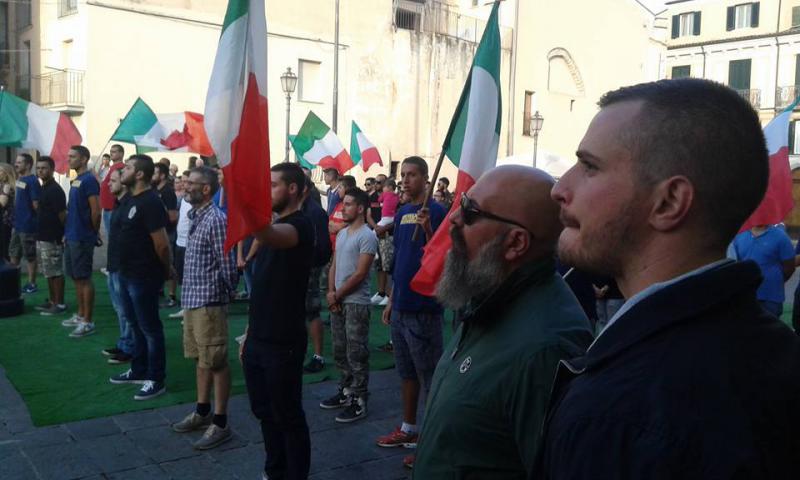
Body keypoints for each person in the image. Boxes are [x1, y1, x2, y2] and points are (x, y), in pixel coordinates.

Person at [541, 78, 800, 477]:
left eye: (590, 167)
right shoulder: (777, 351)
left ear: (669, 202)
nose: (560, 188)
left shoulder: (619, 411)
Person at [412, 166, 592, 477]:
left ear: (515, 243)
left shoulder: (546, 349)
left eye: (470, 211)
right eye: (461, 203)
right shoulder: (489, 295)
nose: (454, 219)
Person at [240, 162, 314, 480]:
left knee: (288, 416)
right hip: (258, 339)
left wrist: (242, 198)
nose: (267, 190)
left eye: (272, 185)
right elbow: (264, 289)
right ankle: (275, 471)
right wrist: (248, 333)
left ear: (293, 189)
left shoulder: (300, 225)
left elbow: (269, 234)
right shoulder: (275, 227)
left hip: (283, 342)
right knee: (264, 412)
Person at [376, 157, 447, 461]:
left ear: (426, 178)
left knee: (430, 376)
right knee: (406, 373)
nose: (405, 180)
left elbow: (446, 256)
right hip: (402, 304)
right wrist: (392, 298)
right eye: (403, 175)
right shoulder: (404, 212)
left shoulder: (439, 211)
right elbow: (401, 261)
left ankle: (433, 441)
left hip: (424, 306)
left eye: (412, 175)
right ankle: (409, 428)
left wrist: (431, 229)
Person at [172, 166, 238, 450]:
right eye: (185, 183)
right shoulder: (194, 215)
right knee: (202, 359)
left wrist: (225, 295)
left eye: (191, 183)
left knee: (217, 361)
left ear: (207, 189)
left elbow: (226, 264)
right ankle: (202, 411)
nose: (185, 187)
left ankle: (221, 423)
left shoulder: (216, 219)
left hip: (209, 301)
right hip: (192, 299)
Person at [108, 154, 171, 401]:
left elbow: (162, 245)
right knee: (134, 324)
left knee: (150, 328)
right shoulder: (128, 200)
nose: (123, 170)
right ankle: (139, 368)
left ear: (140, 174)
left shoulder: (150, 202)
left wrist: (166, 270)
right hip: (125, 273)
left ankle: (156, 378)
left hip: (143, 275)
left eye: (129, 167)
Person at [320, 187, 378, 422]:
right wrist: (331, 291)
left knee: (357, 353)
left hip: (355, 303)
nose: (343, 208)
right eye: (344, 203)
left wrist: (338, 295)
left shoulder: (367, 235)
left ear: (361, 208)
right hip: (340, 301)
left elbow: (361, 273)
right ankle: (345, 390)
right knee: (339, 350)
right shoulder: (343, 234)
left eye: (348, 204)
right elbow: (334, 264)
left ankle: (360, 399)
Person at [61, 145, 101, 338]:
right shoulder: (76, 180)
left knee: (84, 278)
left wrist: (92, 232)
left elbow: (96, 210)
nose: (68, 159)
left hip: (82, 237)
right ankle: (80, 315)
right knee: (76, 277)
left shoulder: (89, 180)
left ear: (84, 159)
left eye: (73, 156)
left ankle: (88, 321)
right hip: (71, 235)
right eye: (68, 156)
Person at [101, 168, 135, 365]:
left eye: (112, 180)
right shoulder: (118, 204)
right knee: (119, 308)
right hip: (114, 265)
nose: (108, 184)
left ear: (124, 182)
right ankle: (123, 343)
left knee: (125, 309)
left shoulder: (130, 204)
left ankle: (129, 347)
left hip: (123, 267)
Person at [302, 175, 333, 374]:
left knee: (311, 312)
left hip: (308, 269)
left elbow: (322, 247)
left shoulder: (313, 212)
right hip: (301, 268)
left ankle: (318, 355)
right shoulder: (302, 209)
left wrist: (310, 265)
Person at [732, 224, 795, 317]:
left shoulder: (781, 237)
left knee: (771, 329)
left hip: (771, 296)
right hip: (745, 294)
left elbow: (789, 266)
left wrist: (776, 281)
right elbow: (734, 263)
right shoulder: (739, 235)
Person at [34, 156, 67, 316]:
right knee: (48, 271)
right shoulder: (43, 187)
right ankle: (52, 301)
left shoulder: (55, 190)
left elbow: (62, 215)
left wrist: (62, 235)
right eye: (38, 168)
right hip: (42, 236)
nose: (40, 171)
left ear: (52, 170)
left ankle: (59, 304)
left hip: (52, 237)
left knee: (56, 272)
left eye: (44, 168)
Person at [10, 153, 40, 293]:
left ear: (28, 165)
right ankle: (11, 282)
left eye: (19, 162)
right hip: (17, 224)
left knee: (30, 255)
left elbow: (36, 204)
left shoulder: (33, 181)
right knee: (14, 253)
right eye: (16, 162)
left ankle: (32, 284)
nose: (16, 164)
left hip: (28, 225)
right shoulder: (20, 179)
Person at [153, 162, 179, 308]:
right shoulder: (155, 189)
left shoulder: (168, 192)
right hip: (158, 231)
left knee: (169, 263)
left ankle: (172, 296)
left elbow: (173, 216)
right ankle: (160, 291)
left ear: (162, 175)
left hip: (167, 232)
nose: (152, 176)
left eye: (155, 173)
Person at [372, 178, 399, 307]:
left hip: (388, 234)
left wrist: (379, 228)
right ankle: (382, 293)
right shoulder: (395, 196)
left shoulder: (390, 197)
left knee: (387, 266)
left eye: (381, 184)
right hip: (382, 229)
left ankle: (389, 295)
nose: (380, 186)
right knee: (380, 266)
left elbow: (396, 217)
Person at [170, 170, 193, 320]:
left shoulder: (194, 199)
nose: (183, 184)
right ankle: (185, 308)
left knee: (190, 278)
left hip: (189, 244)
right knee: (183, 278)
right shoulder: (183, 199)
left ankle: (191, 311)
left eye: (186, 181)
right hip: (180, 241)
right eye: (182, 181)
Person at [98, 144, 126, 236]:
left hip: (112, 207)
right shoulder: (112, 167)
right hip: (107, 207)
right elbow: (105, 184)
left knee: (113, 237)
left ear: (121, 154)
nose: (111, 153)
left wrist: (95, 176)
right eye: (110, 151)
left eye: (114, 151)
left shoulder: (120, 167)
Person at [0, 163, 16, 260]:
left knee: (3, 246)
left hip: (4, 221)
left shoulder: (6, 186)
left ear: (6, 173)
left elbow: (2, 203)